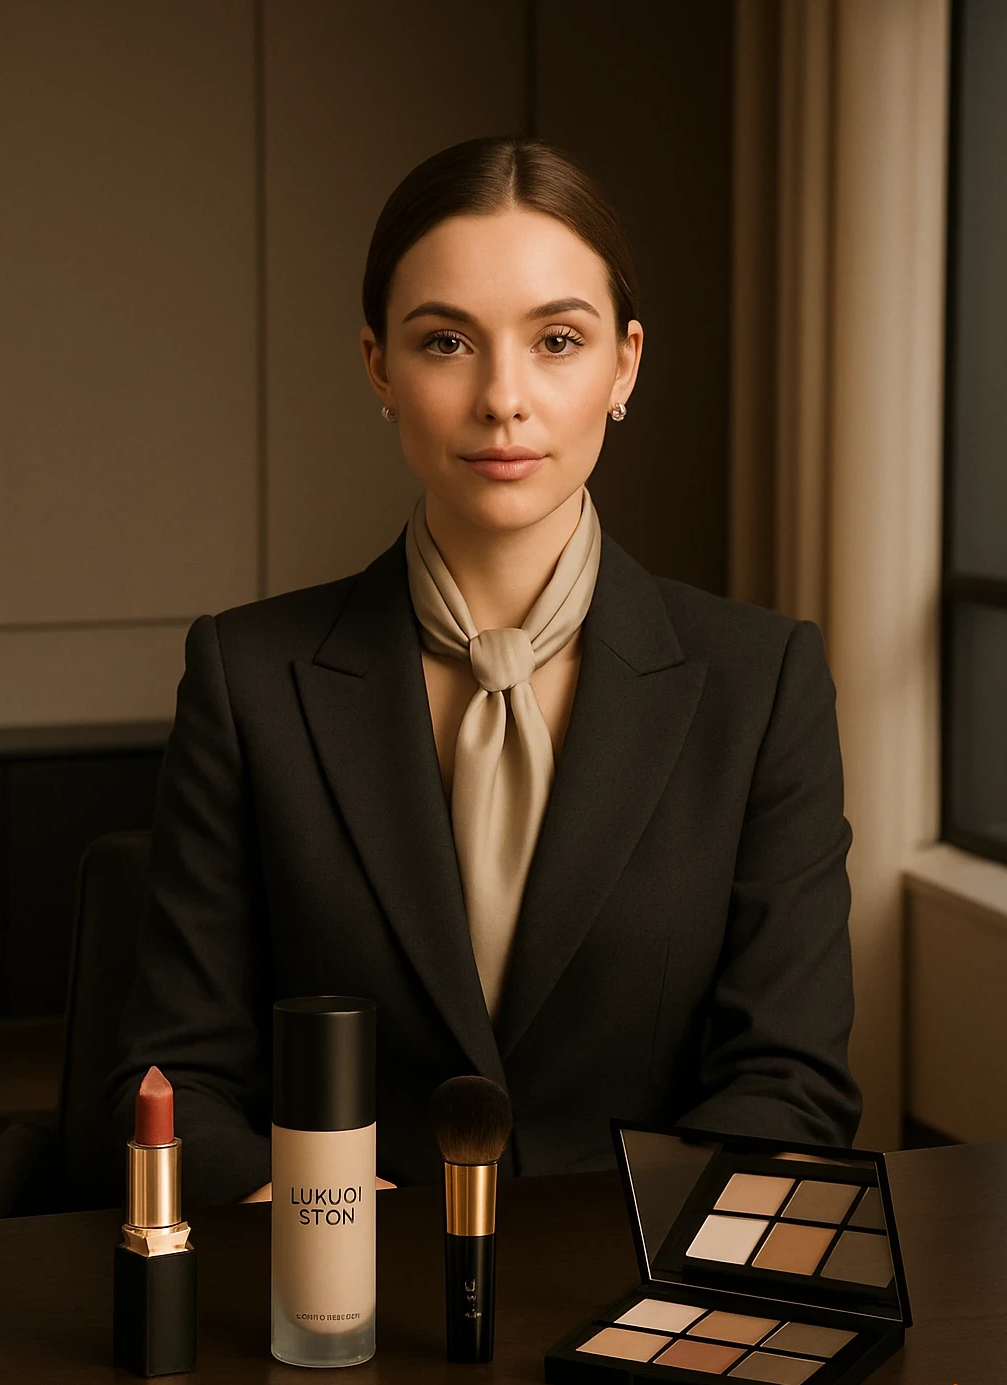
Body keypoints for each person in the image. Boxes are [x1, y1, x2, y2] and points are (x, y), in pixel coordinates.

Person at [104, 136, 861, 1211]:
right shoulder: (247, 676)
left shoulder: (761, 682)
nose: (503, 398)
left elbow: (788, 1082)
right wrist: (318, 1226)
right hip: (335, 1301)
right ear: (378, 365)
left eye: (557, 340)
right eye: (447, 341)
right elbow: (171, 1080)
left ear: (624, 366)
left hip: (639, 1305)